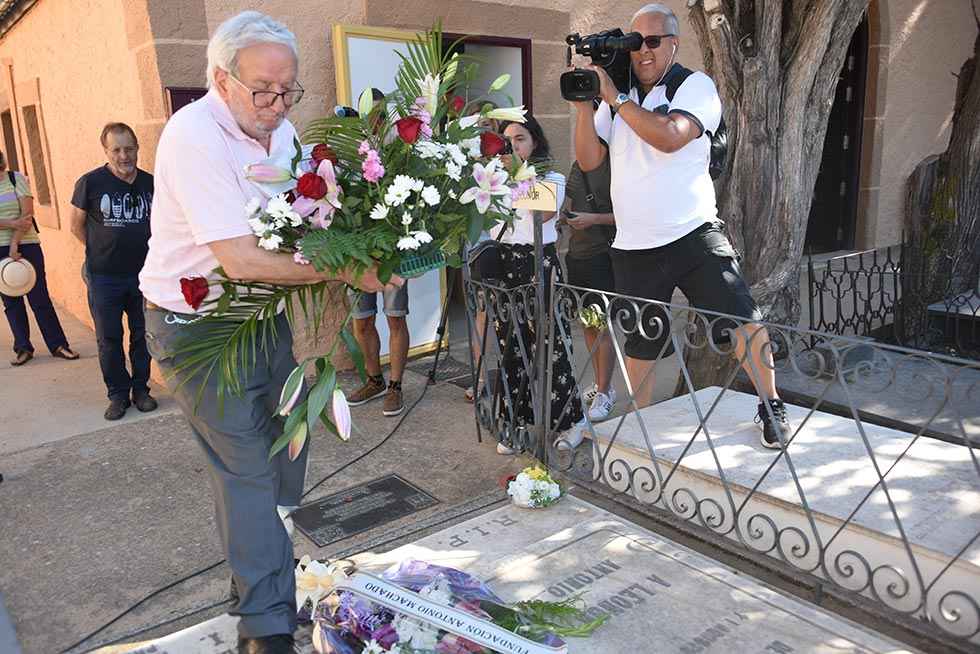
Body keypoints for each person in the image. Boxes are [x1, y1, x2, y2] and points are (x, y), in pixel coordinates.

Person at [138, 12, 399, 654]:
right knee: (245, 467)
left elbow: (302, 224)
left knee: (288, 447)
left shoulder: (279, 134)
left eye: (289, 92)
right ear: (221, 80)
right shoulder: (193, 136)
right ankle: (266, 625)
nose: (278, 106)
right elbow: (244, 258)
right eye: (263, 91)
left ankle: (260, 578)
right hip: (198, 326)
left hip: (263, 314)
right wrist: (346, 266)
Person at [572, 3, 790, 449]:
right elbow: (590, 159)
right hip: (634, 243)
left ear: (673, 43)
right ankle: (641, 427)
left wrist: (616, 98)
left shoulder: (694, 86)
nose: (643, 51)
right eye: (636, 42)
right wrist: (583, 105)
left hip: (693, 232)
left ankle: (771, 404)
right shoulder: (620, 98)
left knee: (743, 318)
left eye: (654, 41)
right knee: (640, 340)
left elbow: (670, 136)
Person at [492, 116, 584, 454]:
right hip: (504, 263)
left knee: (552, 343)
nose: (513, 146)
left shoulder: (552, 178)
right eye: (507, 141)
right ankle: (514, 422)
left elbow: (543, 212)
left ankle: (570, 422)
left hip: (538, 263)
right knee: (510, 345)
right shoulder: (492, 179)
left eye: (520, 139)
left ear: (535, 142)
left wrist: (516, 172)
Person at [70, 123, 156, 420]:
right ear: (106, 151)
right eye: (116, 150)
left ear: (137, 149)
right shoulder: (90, 183)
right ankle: (118, 395)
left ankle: (141, 390)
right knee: (108, 338)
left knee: (142, 334)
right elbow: (76, 225)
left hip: (144, 276)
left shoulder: (150, 183)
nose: (124, 155)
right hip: (104, 277)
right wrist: (98, 251)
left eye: (129, 148)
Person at [0, 151, 78, 366]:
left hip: (27, 245)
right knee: (11, 302)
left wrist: (15, 241)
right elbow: (19, 220)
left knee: (40, 298)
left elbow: (27, 215)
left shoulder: (17, 179)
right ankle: (23, 348)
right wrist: (13, 224)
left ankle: (58, 345)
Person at [562, 156, 617, 422]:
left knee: (603, 325)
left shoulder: (618, 163)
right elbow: (568, 202)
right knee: (588, 324)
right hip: (577, 256)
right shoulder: (577, 165)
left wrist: (593, 219)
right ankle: (599, 384)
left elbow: (631, 214)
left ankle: (605, 392)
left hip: (602, 257)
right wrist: (564, 216)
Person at [346, 282, 410, 417]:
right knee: (361, 321)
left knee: (395, 318)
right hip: (357, 263)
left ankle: (395, 387)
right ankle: (376, 382)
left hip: (392, 263)